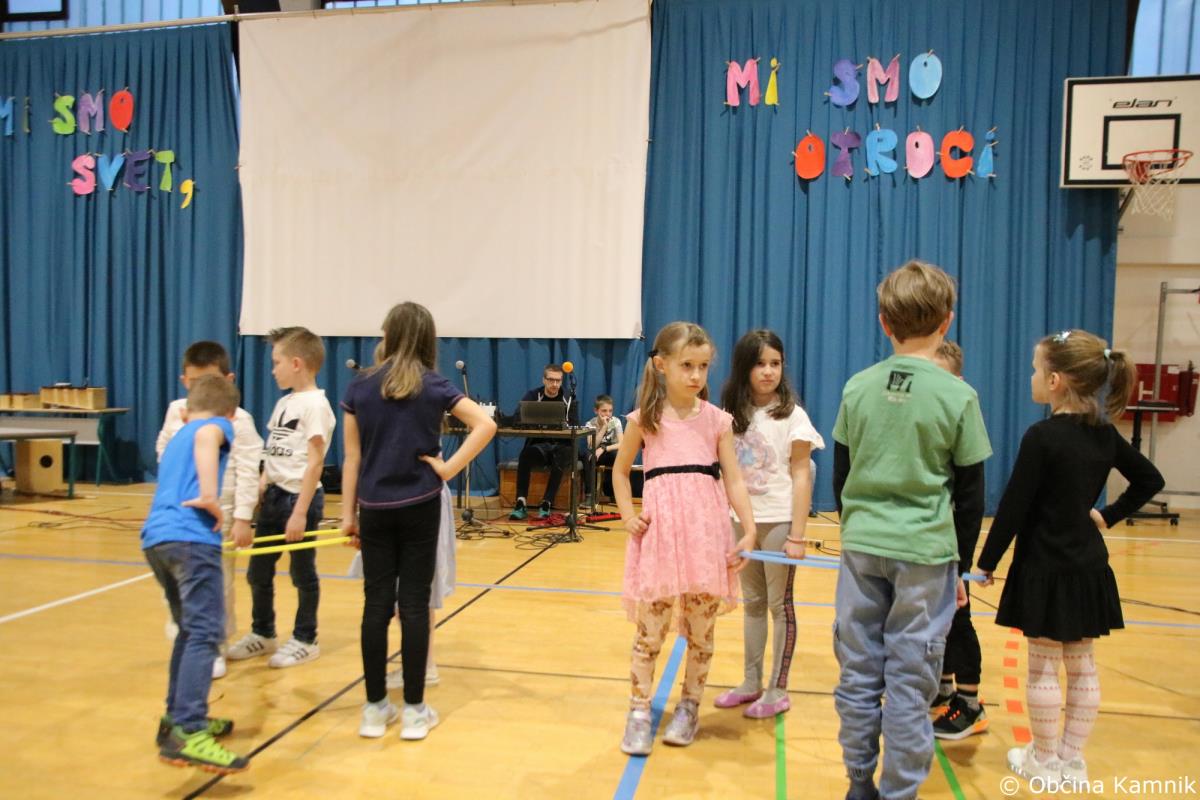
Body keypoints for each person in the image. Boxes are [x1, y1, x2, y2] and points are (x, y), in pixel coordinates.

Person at [976, 330, 1164, 789]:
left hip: (1044, 567)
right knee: (1082, 665)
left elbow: (1014, 506)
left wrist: (987, 562)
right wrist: (1108, 515)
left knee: (1043, 665)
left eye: (1036, 370)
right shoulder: (1104, 434)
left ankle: (1043, 760)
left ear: (1055, 380)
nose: (1031, 377)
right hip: (1088, 567)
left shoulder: (1042, 436)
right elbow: (1150, 479)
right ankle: (1071, 761)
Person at [832, 261, 991, 800]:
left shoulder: (857, 387)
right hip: (925, 553)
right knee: (909, 681)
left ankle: (859, 783)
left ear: (884, 322)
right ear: (947, 321)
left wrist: (861, 528)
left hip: (862, 548)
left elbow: (842, 477)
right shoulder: (958, 395)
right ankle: (899, 792)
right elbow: (970, 495)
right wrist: (958, 567)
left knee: (858, 673)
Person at [341, 302, 496, 741]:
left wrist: (346, 515)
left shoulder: (359, 387)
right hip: (420, 505)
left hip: (374, 508)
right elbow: (485, 425)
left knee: (375, 606)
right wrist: (447, 470)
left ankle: (374, 710)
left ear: (388, 334)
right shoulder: (434, 385)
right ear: (428, 339)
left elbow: (351, 458)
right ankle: (413, 712)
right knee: (413, 605)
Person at [612, 321, 757, 755]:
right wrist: (627, 515)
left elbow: (734, 479)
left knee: (700, 633)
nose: (696, 375)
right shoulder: (645, 420)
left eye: (703, 366)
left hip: (706, 539)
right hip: (660, 540)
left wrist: (748, 529)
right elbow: (620, 470)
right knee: (649, 633)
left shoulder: (717, 421)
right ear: (662, 365)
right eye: (687, 365)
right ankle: (639, 710)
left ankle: (690, 705)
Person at [714, 329, 824, 718]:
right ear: (744, 367)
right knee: (754, 603)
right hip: (742, 522)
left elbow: (802, 476)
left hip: (778, 520)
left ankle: (778, 689)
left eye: (775, 364)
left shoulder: (793, 416)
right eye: (760, 363)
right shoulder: (730, 415)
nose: (768, 371)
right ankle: (751, 682)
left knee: (780, 605)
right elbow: (726, 473)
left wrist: (797, 535)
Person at [144, 375, 249, 774]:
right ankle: (189, 729)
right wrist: (209, 496)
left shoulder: (178, 435)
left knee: (189, 631)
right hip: (190, 540)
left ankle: (176, 719)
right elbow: (209, 436)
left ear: (187, 410)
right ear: (231, 414)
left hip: (157, 540)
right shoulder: (214, 426)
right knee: (206, 632)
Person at [227, 327, 335, 668]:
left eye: (277, 362)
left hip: (299, 499)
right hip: (274, 497)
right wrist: (262, 483)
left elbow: (314, 462)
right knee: (258, 571)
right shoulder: (284, 403)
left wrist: (300, 512)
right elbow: (274, 452)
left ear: (297, 363)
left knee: (302, 573)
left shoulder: (316, 405)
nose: (273, 370)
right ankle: (263, 632)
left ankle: (306, 638)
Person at [156, 341, 263, 681]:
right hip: (180, 516)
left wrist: (243, 517)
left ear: (228, 381)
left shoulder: (238, 419)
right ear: (184, 381)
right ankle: (185, 641)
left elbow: (248, 468)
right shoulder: (177, 411)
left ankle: (216, 644)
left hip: (221, 516)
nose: (202, 389)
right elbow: (164, 452)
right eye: (194, 382)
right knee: (178, 586)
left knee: (218, 583)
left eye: (210, 381)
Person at [927, 340, 988, 740]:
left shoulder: (963, 422)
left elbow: (971, 501)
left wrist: (961, 565)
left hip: (951, 545)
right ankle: (944, 688)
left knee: (959, 619)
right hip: (927, 541)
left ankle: (970, 702)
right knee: (937, 621)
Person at [509, 364, 579, 520]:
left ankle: (547, 502)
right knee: (525, 455)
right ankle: (521, 502)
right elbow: (516, 417)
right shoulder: (533, 395)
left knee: (562, 457)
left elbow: (575, 423)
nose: (555, 384)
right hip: (540, 445)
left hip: (561, 445)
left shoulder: (568, 397)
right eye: (551, 380)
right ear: (544, 380)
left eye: (558, 381)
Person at [581, 394, 623, 508]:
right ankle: (590, 496)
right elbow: (592, 446)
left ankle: (616, 494)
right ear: (596, 411)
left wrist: (604, 448)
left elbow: (622, 444)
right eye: (604, 411)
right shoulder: (590, 424)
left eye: (610, 411)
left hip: (610, 451)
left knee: (617, 455)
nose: (607, 414)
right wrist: (604, 427)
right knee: (586, 455)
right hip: (596, 453)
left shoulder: (616, 422)